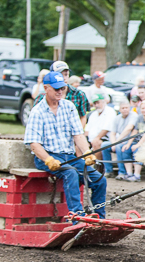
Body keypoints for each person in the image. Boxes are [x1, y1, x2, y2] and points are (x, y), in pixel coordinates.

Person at [24, 71, 106, 218]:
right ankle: (77, 216)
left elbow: (78, 135)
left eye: (63, 88)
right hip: (48, 156)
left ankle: (99, 218)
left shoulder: (69, 107)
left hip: (69, 156)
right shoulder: (37, 111)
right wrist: (49, 160)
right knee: (71, 173)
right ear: (46, 88)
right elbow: (34, 144)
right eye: (56, 89)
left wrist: (87, 153)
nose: (60, 91)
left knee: (100, 180)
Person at [34, 61, 89, 127]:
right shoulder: (42, 98)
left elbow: (83, 117)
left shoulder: (79, 94)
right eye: (60, 75)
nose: (64, 78)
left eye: (66, 74)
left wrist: (78, 133)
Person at [117, 100, 145, 182]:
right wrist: (128, 143)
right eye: (142, 108)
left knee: (137, 150)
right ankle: (129, 173)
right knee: (125, 149)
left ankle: (137, 175)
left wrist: (138, 145)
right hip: (137, 140)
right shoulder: (140, 117)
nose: (144, 110)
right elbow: (135, 131)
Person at [101, 100, 138, 179]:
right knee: (104, 145)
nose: (125, 109)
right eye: (123, 108)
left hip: (129, 141)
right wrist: (113, 143)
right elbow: (112, 133)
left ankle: (122, 172)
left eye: (126, 108)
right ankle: (108, 170)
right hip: (118, 140)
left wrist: (116, 143)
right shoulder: (116, 118)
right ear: (120, 109)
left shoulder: (134, 116)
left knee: (119, 147)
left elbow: (129, 129)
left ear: (129, 108)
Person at [84, 93, 117, 166]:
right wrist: (84, 140)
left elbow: (106, 129)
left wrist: (97, 138)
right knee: (80, 144)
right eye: (95, 103)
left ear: (103, 102)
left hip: (106, 138)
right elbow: (87, 130)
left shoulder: (110, 111)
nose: (96, 105)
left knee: (96, 142)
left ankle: (98, 167)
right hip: (92, 139)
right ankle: (83, 168)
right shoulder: (93, 114)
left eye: (98, 102)